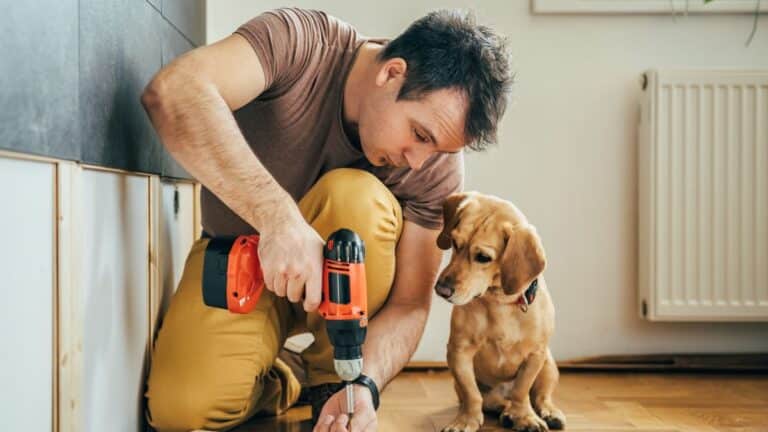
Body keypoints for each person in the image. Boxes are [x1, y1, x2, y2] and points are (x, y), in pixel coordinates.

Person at [141, 7, 513, 432]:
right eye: (420, 135)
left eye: (438, 151)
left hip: (345, 313)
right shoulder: (299, 42)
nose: (417, 162)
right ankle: (284, 378)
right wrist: (279, 219)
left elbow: (410, 304)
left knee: (355, 197)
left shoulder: (433, 165)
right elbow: (173, 93)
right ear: (391, 72)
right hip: (241, 258)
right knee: (181, 410)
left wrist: (367, 384)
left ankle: (333, 381)